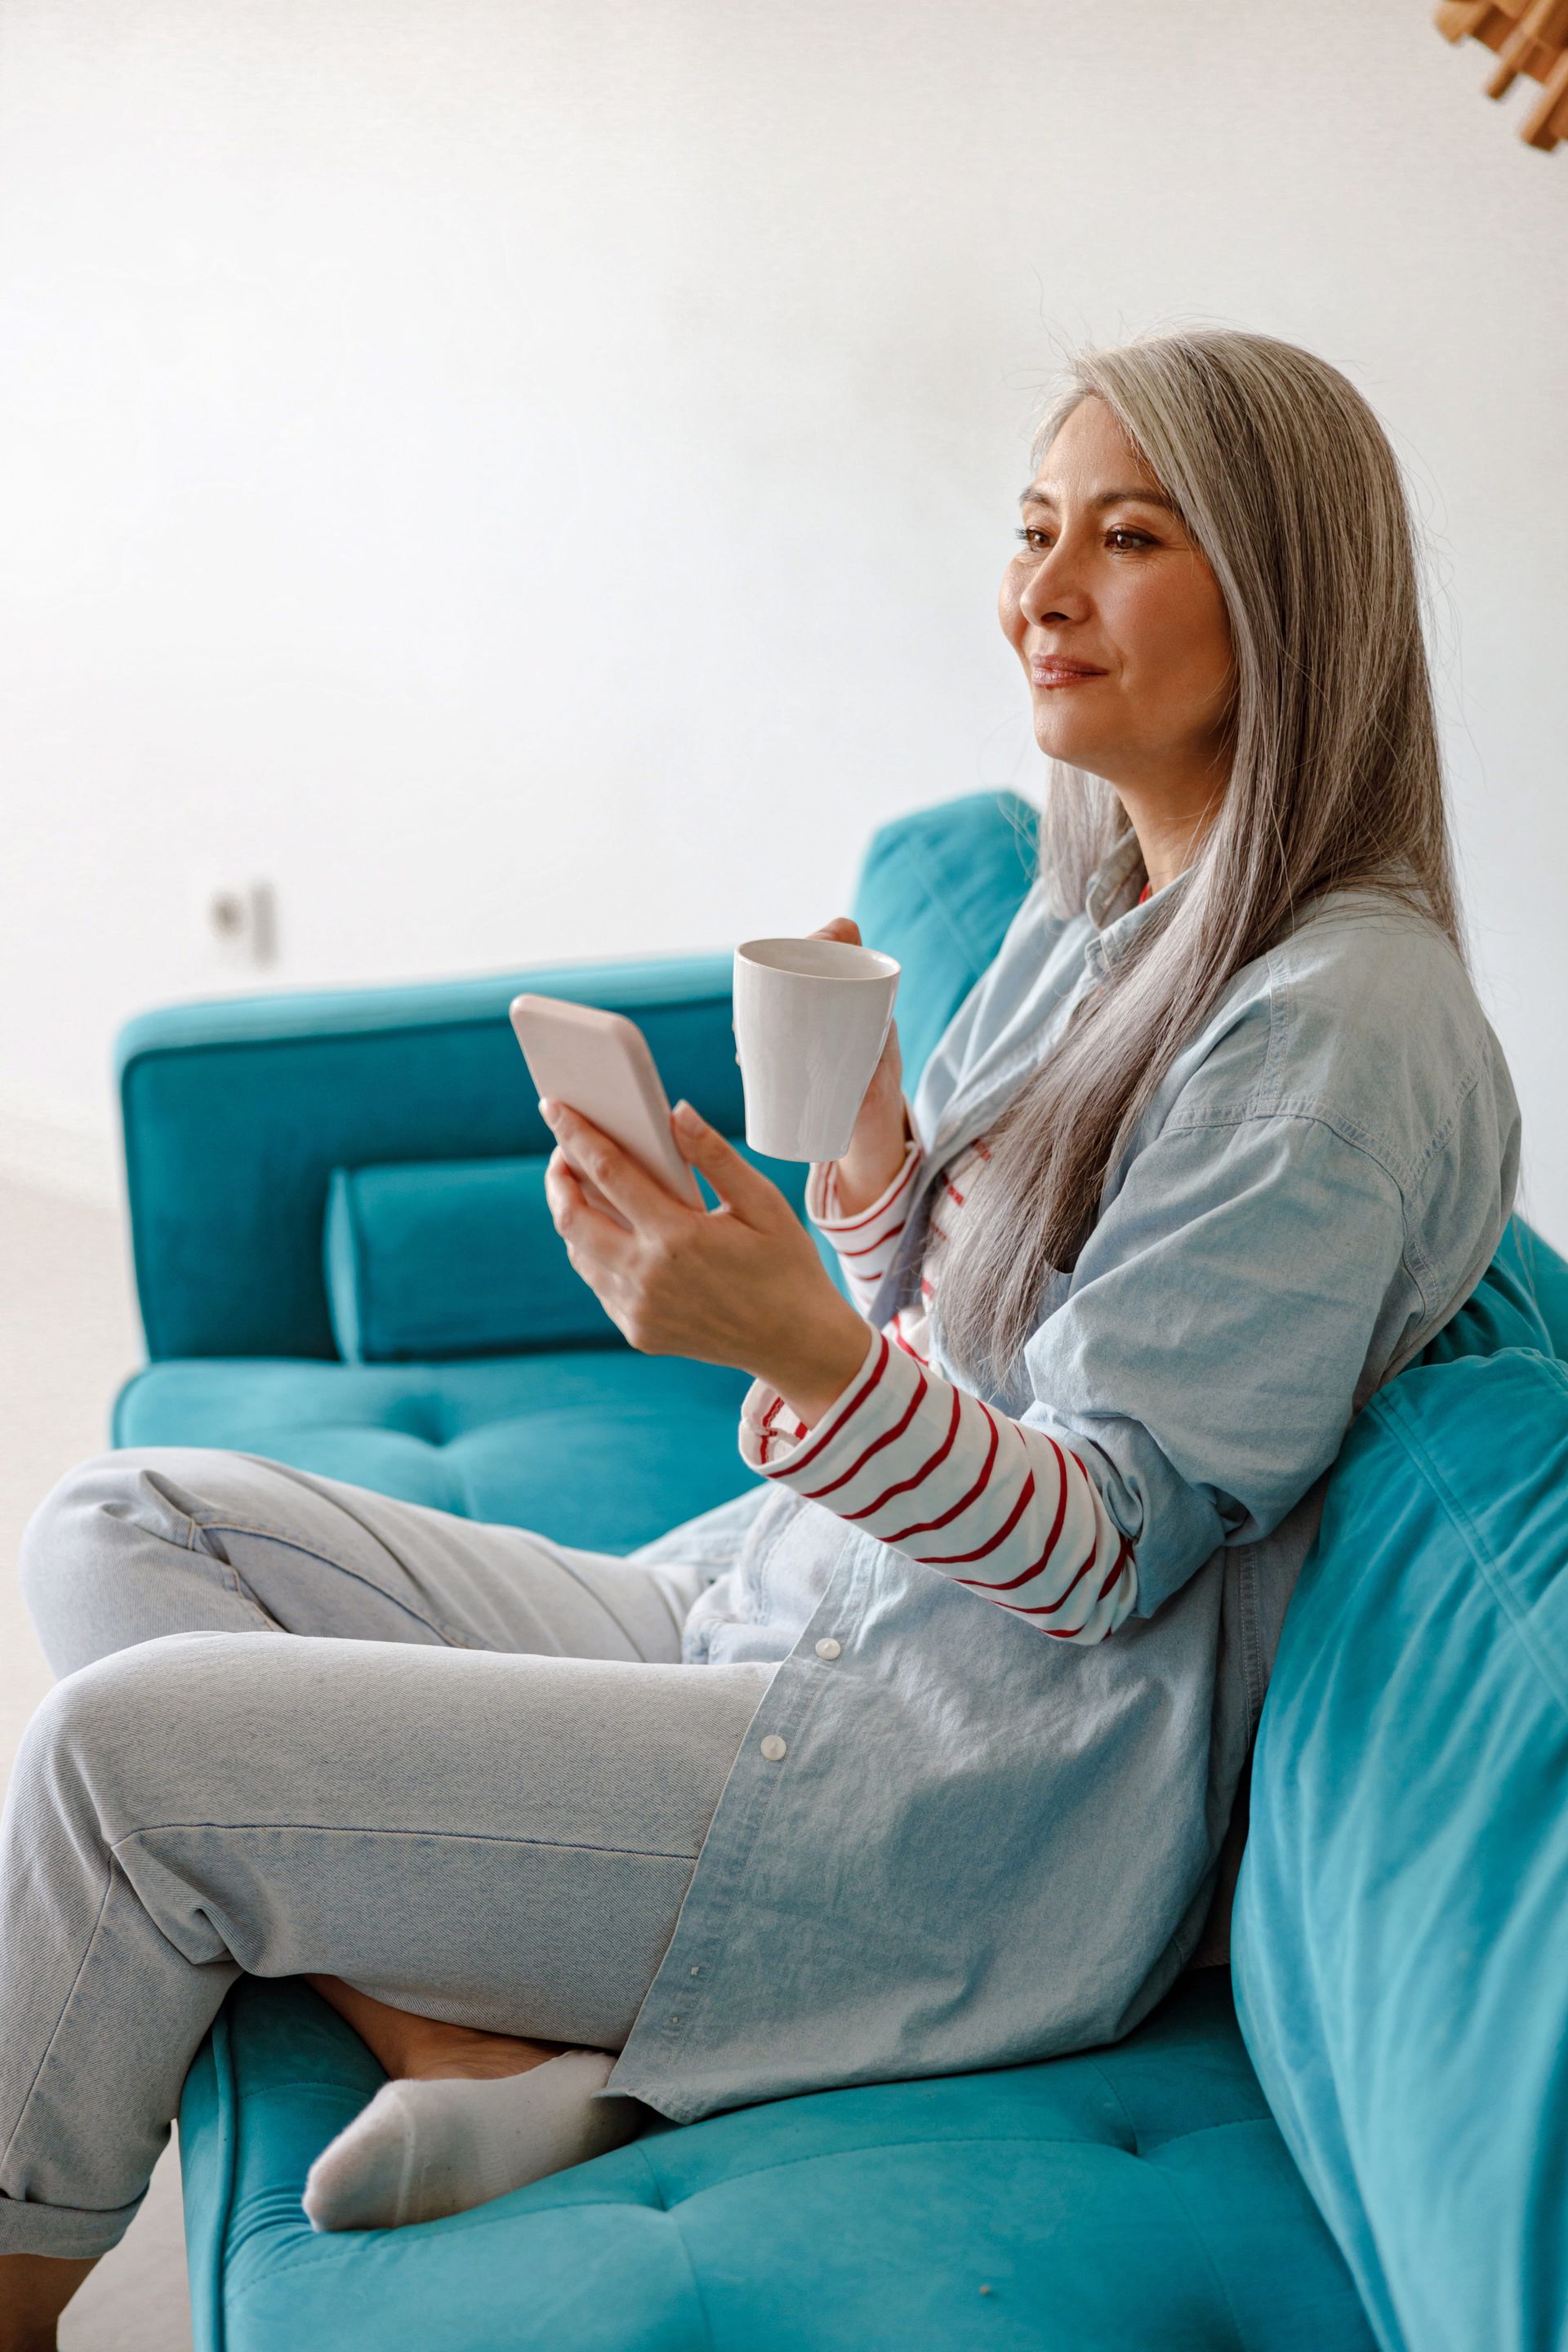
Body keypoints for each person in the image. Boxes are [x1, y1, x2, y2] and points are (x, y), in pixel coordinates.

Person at [0, 328, 1519, 2349]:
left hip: (934, 1798)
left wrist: (804, 1352)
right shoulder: (1102, 912)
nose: (1042, 591)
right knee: (113, 1522)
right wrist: (876, 1165)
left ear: (1285, 597)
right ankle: (451, 2040)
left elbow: (1105, 1549)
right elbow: (953, 1327)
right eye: (1035, 528)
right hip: (776, 1614)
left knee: (116, 1765)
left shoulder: (1332, 1033)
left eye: (1128, 537)